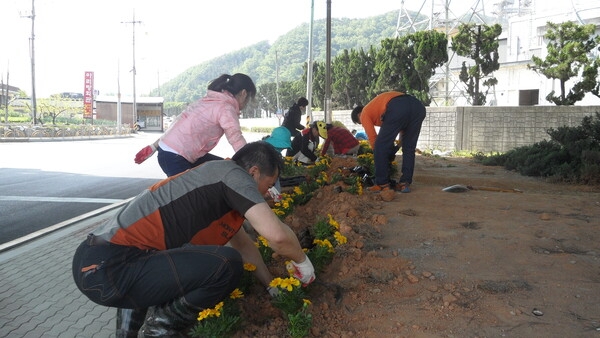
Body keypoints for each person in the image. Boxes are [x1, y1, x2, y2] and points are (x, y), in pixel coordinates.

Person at [72, 141, 316, 338]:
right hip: (108, 267)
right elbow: (277, 236)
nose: (267, 193)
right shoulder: (232, 175)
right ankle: (158, 331)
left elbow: (243, 244)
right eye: (269, 184)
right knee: (226, 264)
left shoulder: (218, 183)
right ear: (253, 173)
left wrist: (271, 285)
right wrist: (303, 263)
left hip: (100, 262)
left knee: (163, 260)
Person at [133, 73, 257, 177]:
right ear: (244, 93)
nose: (247, 103)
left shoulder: (209, 100)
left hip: (170, 152)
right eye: (249, 98)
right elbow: (236, 138)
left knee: (226, 168)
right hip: (176, 157)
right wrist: (251, 165)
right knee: (192, 198)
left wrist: (154, 146)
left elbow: (179, 124)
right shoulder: (226, 108)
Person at [351, 91, 426, 193]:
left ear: (359, 115)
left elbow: (373, 138)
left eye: (360, 122)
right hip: (418, 107)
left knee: (379, 146)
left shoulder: (365, 113)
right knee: (409, 148)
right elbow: (402, 125)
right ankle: (405, 184)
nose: (363, 124)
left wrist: (378, 154)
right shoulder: (378, 110)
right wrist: (399, 143)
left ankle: (382, 184)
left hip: (397, 105)